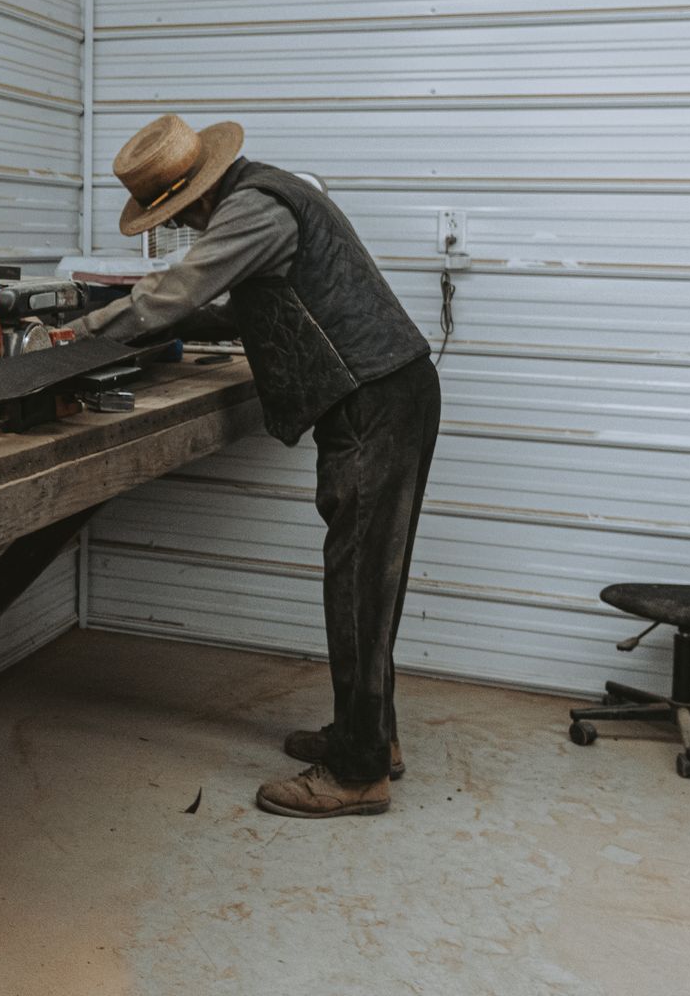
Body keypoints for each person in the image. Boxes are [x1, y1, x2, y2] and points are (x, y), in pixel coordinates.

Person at [76, 114, 441, 818]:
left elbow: (179, 292)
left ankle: (359, 773)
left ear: (193, 195)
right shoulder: (268, 195)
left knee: (359, 584)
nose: (180, 228)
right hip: (386, 391)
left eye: (176, 216)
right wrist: (164, 320)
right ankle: (374, 737)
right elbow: (254, 305)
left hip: (375, 401)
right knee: (370, 580)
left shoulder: (253, 208)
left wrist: (77, 334)